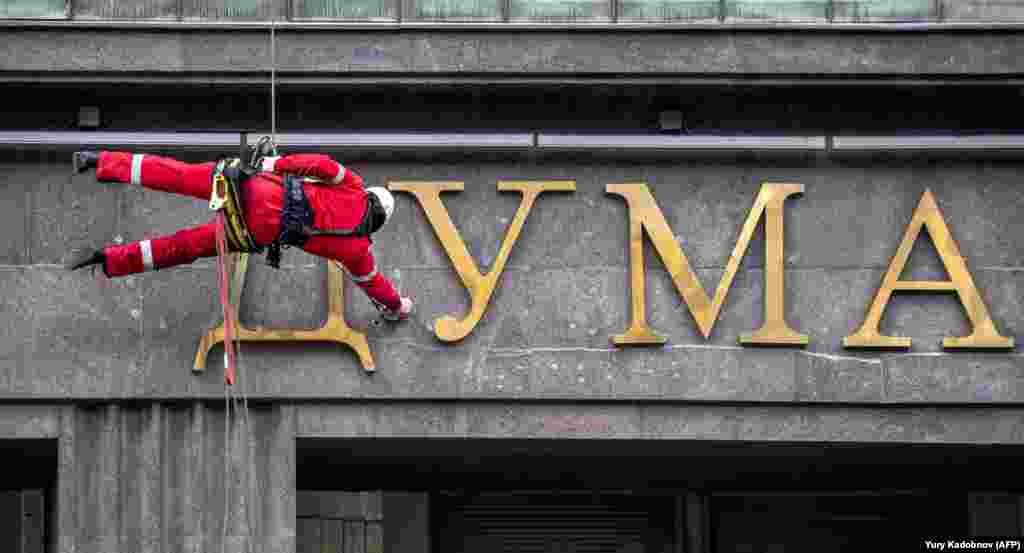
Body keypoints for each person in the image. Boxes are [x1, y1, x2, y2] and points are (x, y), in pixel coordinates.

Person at [66, 149, 414, 321]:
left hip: (254, 189)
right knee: (186, 246)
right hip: (253, 230)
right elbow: (376, 285)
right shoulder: (358, 251)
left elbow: (321, 164)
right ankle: (109, 261)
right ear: (379, 223)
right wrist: (399, 307)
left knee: (180, 175)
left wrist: (270, 165)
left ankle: (100, 161)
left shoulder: (353, 186)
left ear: (371, 196)